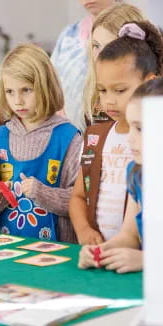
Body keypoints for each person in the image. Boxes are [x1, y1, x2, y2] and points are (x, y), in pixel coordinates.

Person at [69, 21, 162, 245]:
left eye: (120, 90)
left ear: (148, 82)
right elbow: (79, 196)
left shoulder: (153, 144)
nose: (109, 100)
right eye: (102, 90)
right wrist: (86, 235)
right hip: (116, 254)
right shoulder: (96, 136)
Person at [0, 44, 82, 243]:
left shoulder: (68, 137)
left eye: (26, 90)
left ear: (46, 86)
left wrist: (42, 193)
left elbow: (81, 200)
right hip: (5, 248)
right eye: (10, 92)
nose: (18, 101)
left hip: (57, 251)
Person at [78, 78, 163, 273]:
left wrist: (146, 261)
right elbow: (129, 236)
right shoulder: (137, 174)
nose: (130, 137)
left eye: (140, 128)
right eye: (131, 126)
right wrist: (100, 252)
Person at [51, 0, 117, 132]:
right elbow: (51, 79)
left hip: (116, 131)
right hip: (71, 133)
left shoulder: (133, 30)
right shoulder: (68, 35)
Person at [82, 3, 145, 124]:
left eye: (109, 46)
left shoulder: (150, 94)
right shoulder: (92, 88)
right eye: (96, 45)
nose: (100, 55)